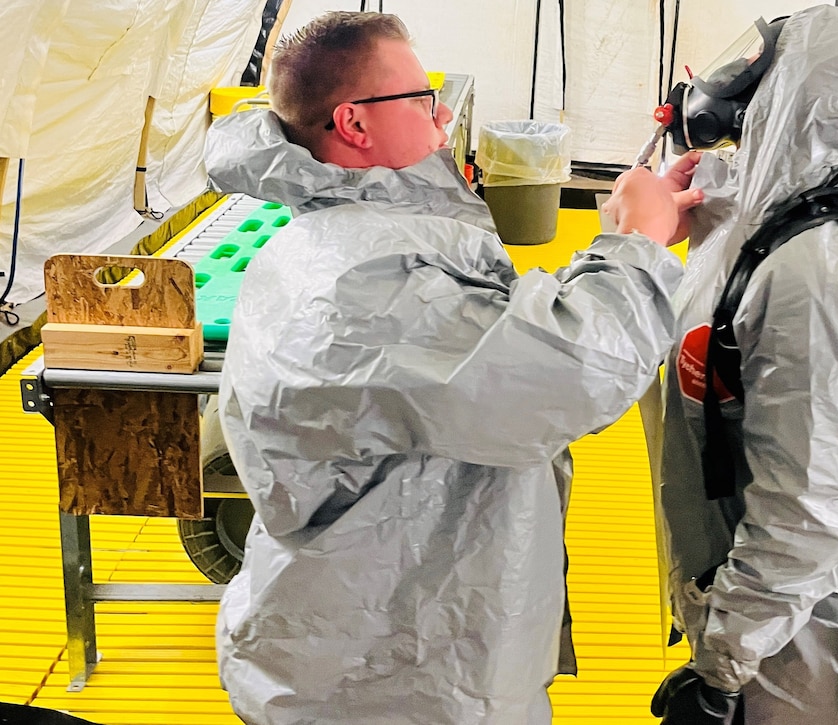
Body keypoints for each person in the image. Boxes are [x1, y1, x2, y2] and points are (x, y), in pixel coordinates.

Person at [203, 11, 701, 725]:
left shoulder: (347, 240)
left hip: (375, 648)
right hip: (393, 681)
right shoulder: (361, 283)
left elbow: (480, 329)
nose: (440, 113)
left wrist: (621, 243)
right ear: (354, 124)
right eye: (417, 98)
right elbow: (563, 375)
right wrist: (638, 245)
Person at [607, 6, 838, 724]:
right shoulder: (753, 226)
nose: (733, 90)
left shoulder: (821, 283)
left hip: (801, 642)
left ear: (804, 94)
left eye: (761, 71)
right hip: (744, 605)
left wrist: (721, 668)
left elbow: (807, 516)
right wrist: (694, 196)